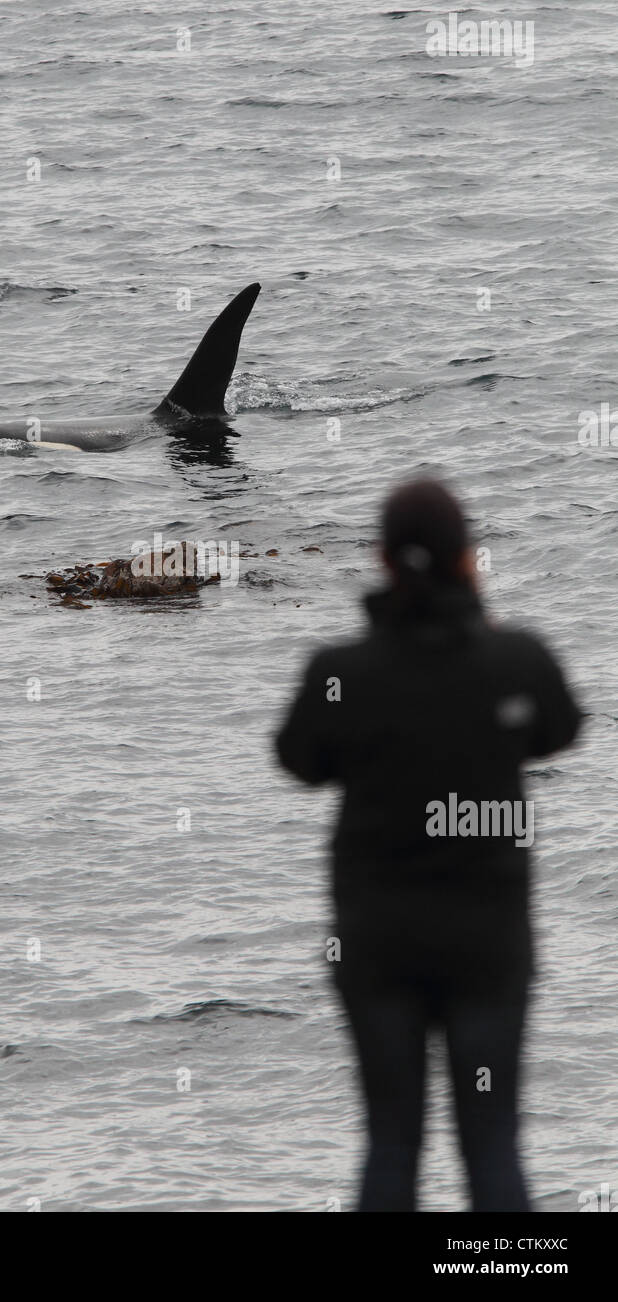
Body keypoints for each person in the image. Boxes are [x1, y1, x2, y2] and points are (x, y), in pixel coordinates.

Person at [275, 478, 582, 1212]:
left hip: (378, 945)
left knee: (391, 1142)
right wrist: (483, 628)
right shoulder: (515, 660)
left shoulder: (341, 673)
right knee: (493, 1146)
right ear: (468, 557)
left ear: (382, 559)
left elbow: (299, 760)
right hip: (488, 945)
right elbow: (559, 728)